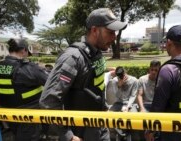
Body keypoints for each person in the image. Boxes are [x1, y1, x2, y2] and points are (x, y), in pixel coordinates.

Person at [39, 8, 127, 141]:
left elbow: (94, 84)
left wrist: (103, 109)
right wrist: (68, 136)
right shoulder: (73, 57)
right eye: (110, 32)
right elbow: (48, 101)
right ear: (94, 30)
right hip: (79, 133)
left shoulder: (96, 53)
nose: (114, 37)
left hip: (99, 126)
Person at [0, 38, 48, 141]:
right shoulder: (26, 68)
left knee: (18, 135)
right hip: (27, 113)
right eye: (27, 52)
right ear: (23, 50)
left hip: (7, 113)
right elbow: (49, 81)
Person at [149, 25, 181, 141]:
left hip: (172, 130)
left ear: (169, 43)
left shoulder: (168, 69)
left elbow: (158, 106)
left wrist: (150, 130)